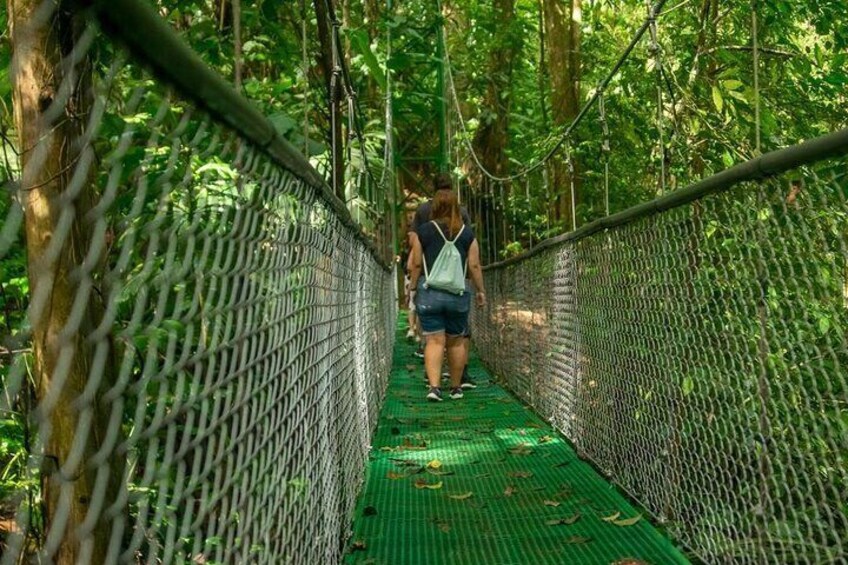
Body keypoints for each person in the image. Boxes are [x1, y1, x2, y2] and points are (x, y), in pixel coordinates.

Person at [409, 188, 486, 401]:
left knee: (434, 341)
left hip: (430, 293)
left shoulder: (423, 232)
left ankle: (434, 388)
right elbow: (474, 265)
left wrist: (413, 287)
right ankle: (456, 387)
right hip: (457, 294)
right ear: (456, 207)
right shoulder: (467, 234)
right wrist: (480, 291)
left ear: (434, 207)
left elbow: (416, 263)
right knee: (456, 341)